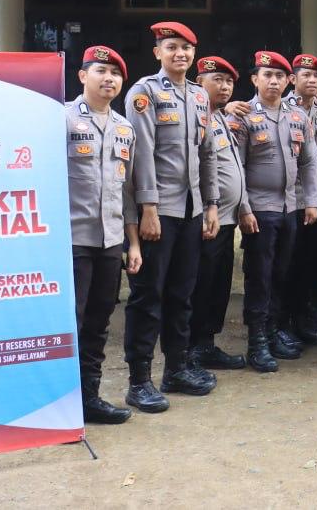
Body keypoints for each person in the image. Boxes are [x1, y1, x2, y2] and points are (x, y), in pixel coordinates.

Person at [123, 21, 219, 413]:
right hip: (158, 212)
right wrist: (147, 208)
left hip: (192, 210)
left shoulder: (198, 96)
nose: (180, 54)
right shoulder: (144, 93)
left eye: (186, 48)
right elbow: (140, 153)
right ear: (157, 52)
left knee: (182, 294)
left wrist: (211, 203)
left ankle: (176, 369)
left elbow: (208, 153)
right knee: (148, 296)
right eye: (172, 47)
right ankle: (139, 380)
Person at [228, 51, 317, 372]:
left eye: (280, 76)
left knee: (282, 273)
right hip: (259, 210)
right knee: (260, 276)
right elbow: (236, 165)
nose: (273, 81)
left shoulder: (298, 117)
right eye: (267, 75)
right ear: (255, 79)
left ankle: (273, 331)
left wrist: (312, 201)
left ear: (288, 81)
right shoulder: (242, 115)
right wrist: (243, 207)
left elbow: (309, 162)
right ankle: (257, 342)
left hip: (290, 208)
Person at [66, 45, 137, 425]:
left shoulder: (125, 127)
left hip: (110, 241)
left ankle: (89, 399)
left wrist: (133, 242)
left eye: (115, 73)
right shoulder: (61, 119)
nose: (108, 78)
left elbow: (126, 191)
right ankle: (64, 402)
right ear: (82, 76)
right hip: (73, 240)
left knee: (99, 321)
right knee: (71, 322)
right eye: (100, 71)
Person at [190, 56, 252, 373]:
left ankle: (207, 344)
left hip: (227, 220)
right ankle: (194, 349)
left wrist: (243, 207)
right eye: (218, 80)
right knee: (201, 285)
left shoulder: (220, 117)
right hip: (206, 219)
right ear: (200, 83)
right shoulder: (196, 117)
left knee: (219, 285)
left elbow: (234, 166)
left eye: (229, 82)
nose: (225, 86)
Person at [281, 53, 317, 347]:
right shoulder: (283, 107)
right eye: (307, 75)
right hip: (289, 202)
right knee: (288, 265)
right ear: (293, 79)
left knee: (310, 263)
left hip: (314, 201)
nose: (314, 80)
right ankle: (285, 323)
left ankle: (304, 321)